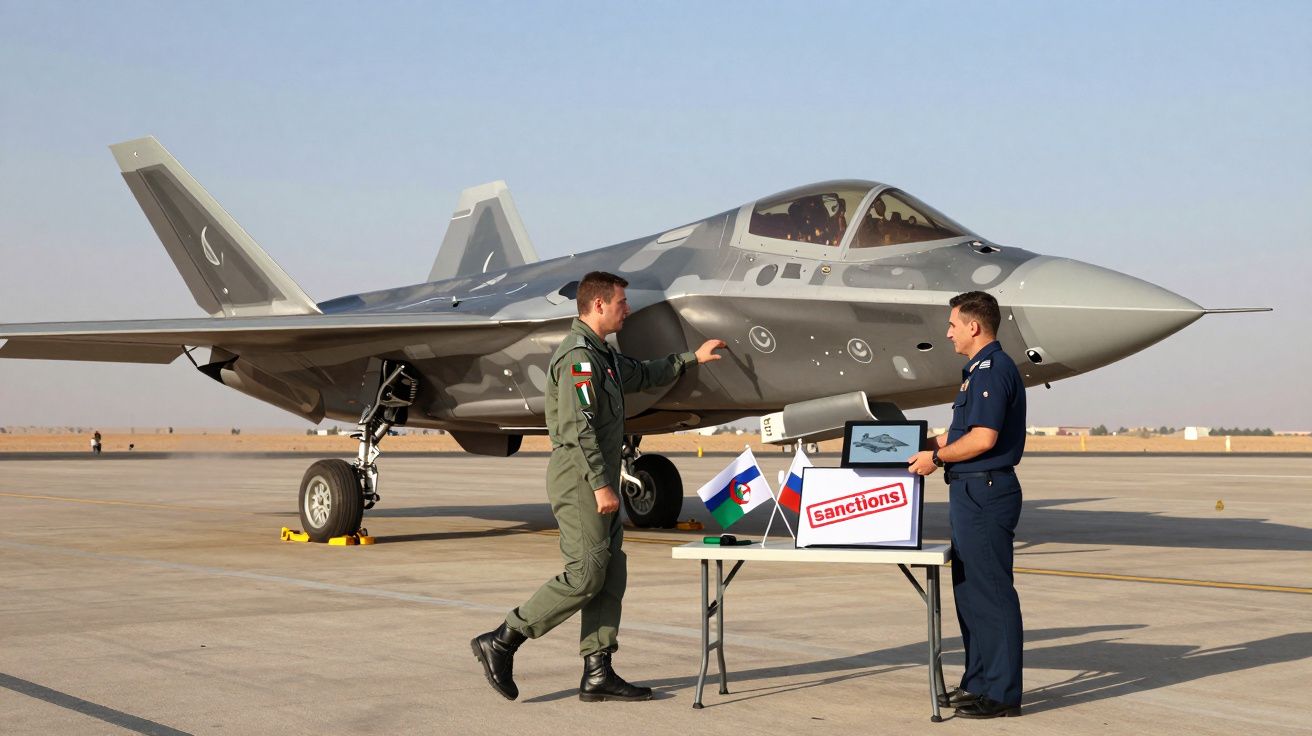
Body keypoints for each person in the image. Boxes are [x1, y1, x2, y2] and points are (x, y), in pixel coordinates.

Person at [472, 271, 726, 703]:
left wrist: (692, 358)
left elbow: (643, 375)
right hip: (581, 482)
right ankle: (502, 639)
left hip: (598, 478)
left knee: (610, 573)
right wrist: (600, 485)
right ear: (598, 305)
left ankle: (598, 671)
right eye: (622, 303)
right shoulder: (579, 359)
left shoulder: (602, 355)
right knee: (584, 575)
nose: (627, 309)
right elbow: (577, 430)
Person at [908, 290, 1026, 719]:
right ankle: (979, 682)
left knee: (991, 593)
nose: (949, 332)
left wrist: (935, 459)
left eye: (953, 324)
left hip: (986, 490)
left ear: (974, 326)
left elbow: (982, 439)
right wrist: (911, 445)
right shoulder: (976, 372)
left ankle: (1002, 694)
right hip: (970, 490)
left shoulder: (993, 371)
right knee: (971, 592)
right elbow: (958, 432)